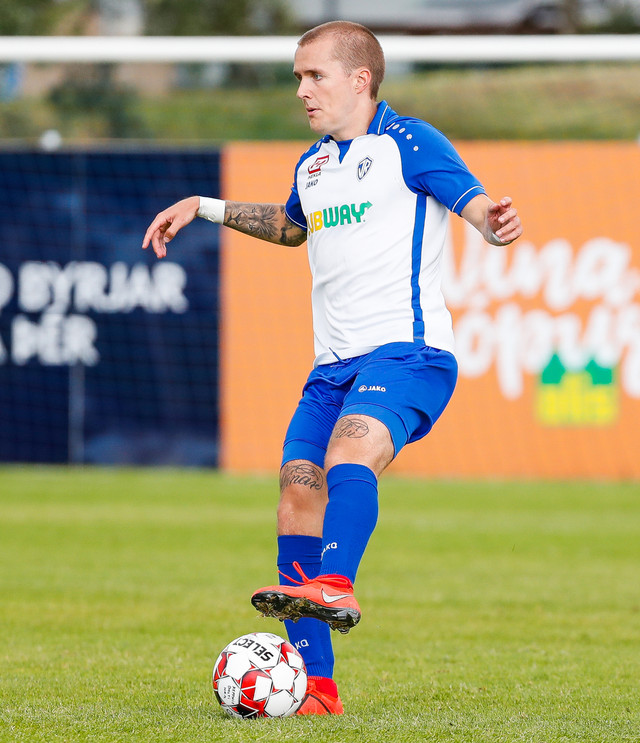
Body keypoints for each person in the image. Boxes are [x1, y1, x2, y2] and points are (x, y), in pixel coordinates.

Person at [142, 20, 522, 716]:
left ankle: (336, 582)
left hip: (408, 353)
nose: (302, 90)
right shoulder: (313, 165)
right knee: (296, 492)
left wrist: (494, 223)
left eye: (314, 75)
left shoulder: (410, 142)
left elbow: (477, 208)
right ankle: (317, 689)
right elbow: (292, 227)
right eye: (298, 77)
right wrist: (203, 206)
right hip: (331, 368)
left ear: (359, 79)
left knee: (351, 451)